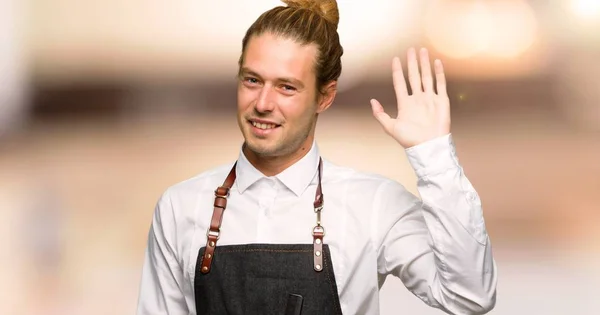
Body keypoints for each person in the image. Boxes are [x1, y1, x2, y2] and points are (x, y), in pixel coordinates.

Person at [136, 0, 498, 314]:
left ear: (325, 96)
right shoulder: (180, 207)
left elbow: (468, 298)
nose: (263, 103)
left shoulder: (373, 205)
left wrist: (433, 156)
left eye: (286, 87)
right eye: (252, 80)